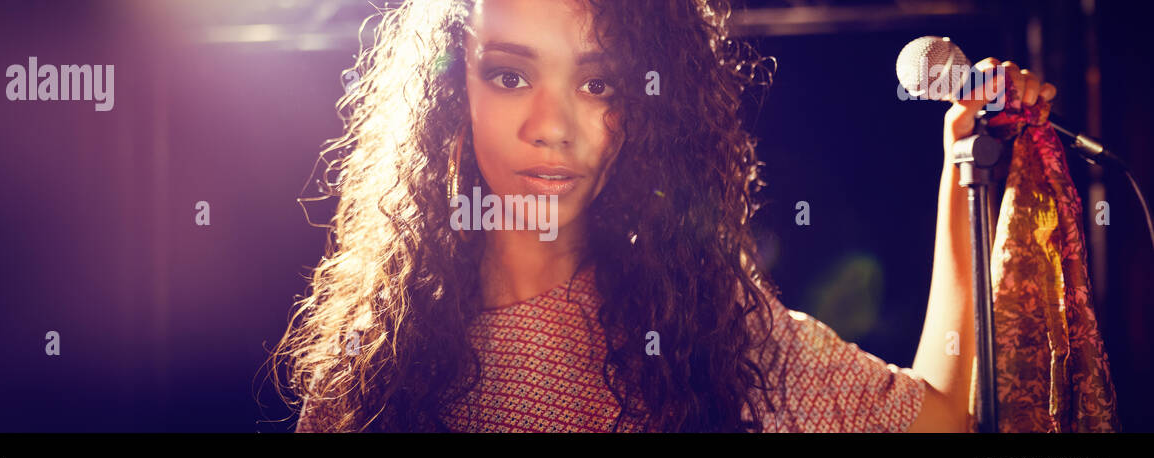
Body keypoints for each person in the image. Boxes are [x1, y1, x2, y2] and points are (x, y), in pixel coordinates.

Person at [266, 0, 1057, 432]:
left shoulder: (708, 335)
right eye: (509, 76)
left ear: (644, 108)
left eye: (598, 83)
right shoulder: (373, 374)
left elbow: (940, 424)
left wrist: (965, 170)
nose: (552, 124)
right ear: (451, 94)